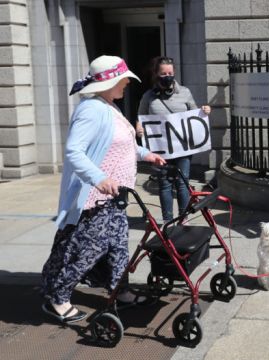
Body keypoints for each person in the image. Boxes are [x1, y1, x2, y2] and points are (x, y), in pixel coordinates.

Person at [41, 55, 166, 324]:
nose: (126, 85)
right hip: (95, 199)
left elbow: (123, 146)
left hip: (115, 198)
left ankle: (120, 291)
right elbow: (74, 151)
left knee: (118, 248)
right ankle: (58, 298)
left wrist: (146, 155)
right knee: (83, 251)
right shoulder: (91, 110)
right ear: (109, 82)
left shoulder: (109, 107)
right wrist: (98, 177)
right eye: (123, 80)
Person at [137, 56, 211, 222]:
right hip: (161, 150)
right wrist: (139, 128)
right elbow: (140, 117)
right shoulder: (149, 96)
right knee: (165, 184)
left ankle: (183, 220)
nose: (167, 76)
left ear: (174, 73)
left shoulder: (185, 92)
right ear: (156, 74)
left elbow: (195, 112)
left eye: (170, 72)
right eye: (163, 73)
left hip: (182, 148)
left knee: (182, 183)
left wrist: (204, 111)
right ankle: (167, 220)